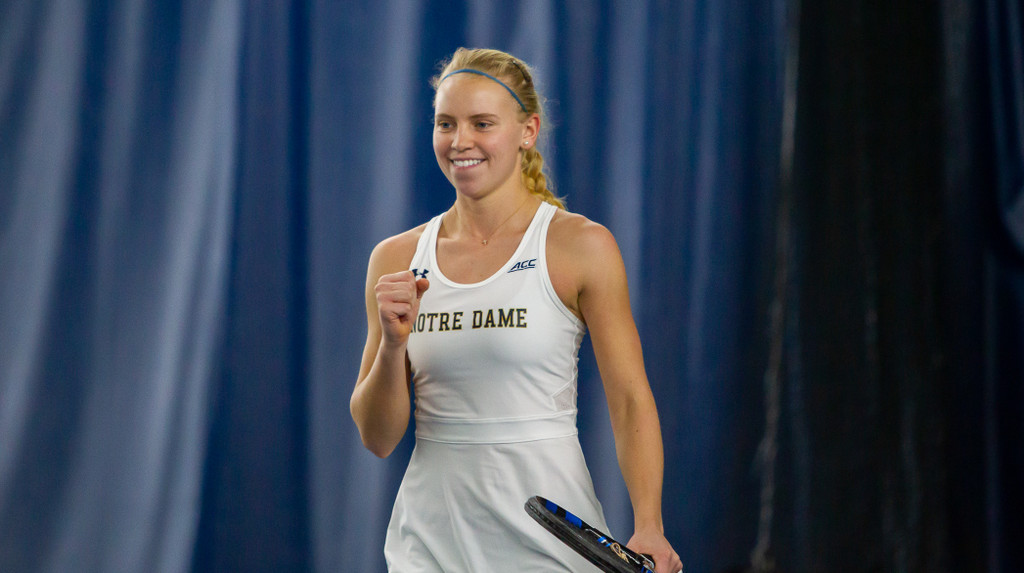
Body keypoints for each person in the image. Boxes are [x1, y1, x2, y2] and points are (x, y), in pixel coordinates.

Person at [350, 47, 683, 573]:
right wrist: (393, 346)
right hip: (428, 543)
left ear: (528, 131)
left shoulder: (581, 246)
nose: (460, 141)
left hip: (551, 543)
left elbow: (629, 398)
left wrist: (649, 525)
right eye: (445, 123)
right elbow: (377, 437)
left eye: (482, 123)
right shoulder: (394, 258)